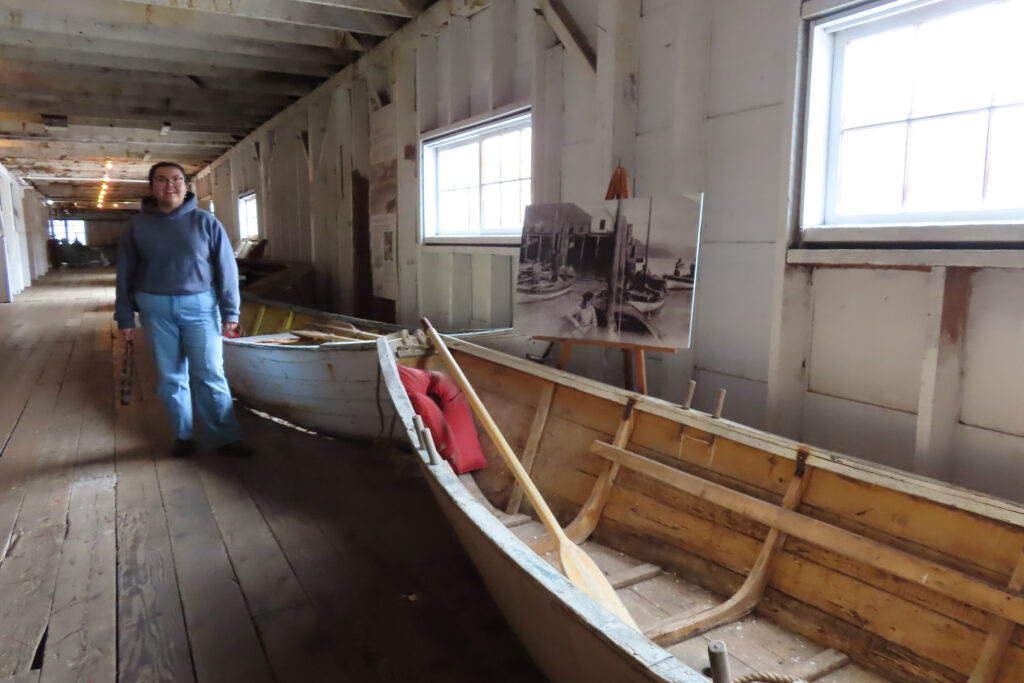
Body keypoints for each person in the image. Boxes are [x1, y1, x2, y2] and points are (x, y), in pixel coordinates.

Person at [115, 161, 251, 458]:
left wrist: (231, 314)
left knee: (211, 373)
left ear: (186, 185)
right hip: (155, 309)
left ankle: (224, 437)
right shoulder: (136, 227)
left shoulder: (206, 222)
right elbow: (125, 274)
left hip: (201, 307)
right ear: (152, 187)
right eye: (162, 180)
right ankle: (183, 435)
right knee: (171, 376)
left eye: (176, 179)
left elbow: (226, 270)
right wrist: (124, 316)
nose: (170, 185)